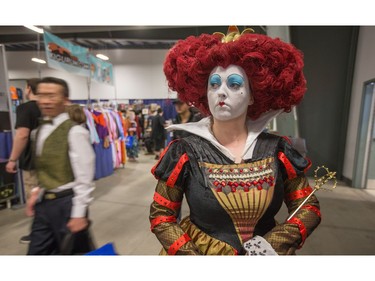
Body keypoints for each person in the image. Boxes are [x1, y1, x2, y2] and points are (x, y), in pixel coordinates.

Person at [149, 26, 321, 255]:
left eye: (234, 84)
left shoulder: (278, 151)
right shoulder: (184, 152)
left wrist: (272, 244)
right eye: (214, 84)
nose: (221, 92)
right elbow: (162, 215)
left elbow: (308, 207)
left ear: (252, 95)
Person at [26, 77, 96, 255]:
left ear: (65, 99)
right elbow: (45, 168)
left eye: (51, 96)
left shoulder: (75, 131)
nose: (45, 101)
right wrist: (37, 191)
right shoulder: (38, 131)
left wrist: (79, 212)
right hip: (44, 204)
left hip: (67, 204)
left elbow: (85, 177)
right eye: (41, 95)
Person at [5, 78, 41, 244]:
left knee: (34, 198)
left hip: (32, 162)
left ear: (28, 89)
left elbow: (22, 135)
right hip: (50, 161)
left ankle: (39, 234)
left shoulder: (25, 109)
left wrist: (12, 159)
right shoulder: (48, 108)